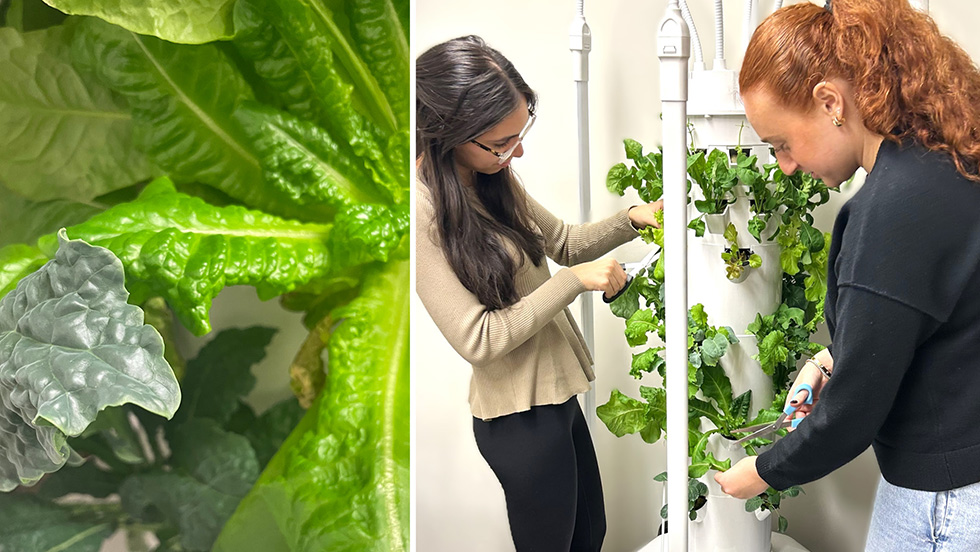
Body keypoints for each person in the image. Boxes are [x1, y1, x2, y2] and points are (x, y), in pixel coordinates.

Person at [714, 0, 980, 549]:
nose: (785, 165)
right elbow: (936, 313)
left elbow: (854, 410)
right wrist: (831, 357)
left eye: (781, 144)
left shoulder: (892, 207)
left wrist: (760, 472)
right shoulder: (947, 159)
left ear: (830, 102)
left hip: (947, 498)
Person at [415, 35, 663, 551]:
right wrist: (572, 283)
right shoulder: (419, 216)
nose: (517, 150)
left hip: (555, 400)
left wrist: (634, 218)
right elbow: (478, 339)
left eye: (520, 131)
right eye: (502, 141)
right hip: (517, 421)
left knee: (589, 535)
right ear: (449, 133)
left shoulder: (490, 175)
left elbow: (565, 242)